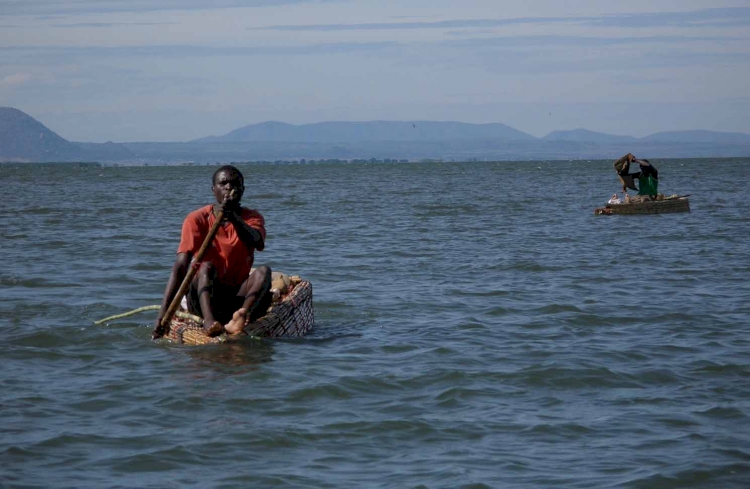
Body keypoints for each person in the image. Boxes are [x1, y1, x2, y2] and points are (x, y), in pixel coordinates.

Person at [152, 165, 272, 339]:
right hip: (205, 296)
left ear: (242, 190)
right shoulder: (197, 219)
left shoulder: (252, 217)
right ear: (213, 189)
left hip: (235, 296)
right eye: (223, 184)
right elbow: (181, 266)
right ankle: (209, 321)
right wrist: (162, 315)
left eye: (234, 184)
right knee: (206, 267)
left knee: (264, 272)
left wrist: (233, 217)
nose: (229, 188)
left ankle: (241, 315)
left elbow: (257, 241)